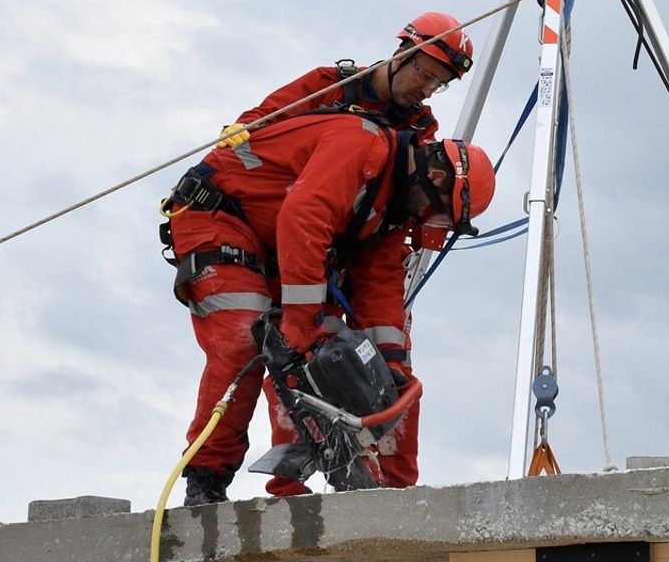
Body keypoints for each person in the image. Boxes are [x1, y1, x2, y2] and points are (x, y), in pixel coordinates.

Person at [162, 110, 495, 505]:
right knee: (243, 344)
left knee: (341, 358)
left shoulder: (391, 211)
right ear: (436, 178)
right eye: (437, 213)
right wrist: (300, 327)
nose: (427, 221)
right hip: (220, 218)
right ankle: (206, 478)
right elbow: (304, 218)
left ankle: (365, 493)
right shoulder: (361, 145)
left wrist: (389, 366)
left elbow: (380, 287)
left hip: (282, 252)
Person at [217, 11, 474, 148]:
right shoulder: (328, 84)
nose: (427, 91)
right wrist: (241, 129)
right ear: (402, 54)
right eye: (426, 76)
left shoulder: (420, 126)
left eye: (438, 85)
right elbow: (265, 117)